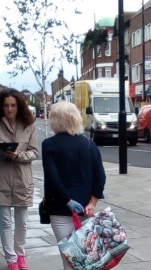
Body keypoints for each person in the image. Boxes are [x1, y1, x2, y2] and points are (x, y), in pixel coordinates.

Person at [42, 101, 106, 270]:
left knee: (69, 259)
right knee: (88, 257)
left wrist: (67, 200)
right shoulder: (89, 144)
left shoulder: (49, 145)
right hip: (86, 209)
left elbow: (52, 179)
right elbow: (100, 177)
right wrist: (92, 203)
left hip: (60, 209)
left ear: (56, 120)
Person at [0, 88, 38, 270]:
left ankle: (21, 254)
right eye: (6, 105)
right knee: (5, 221)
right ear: (1, 106)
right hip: (0, 179)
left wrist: (19, 155)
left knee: (22, 221)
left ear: (19, 105)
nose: (10, 109)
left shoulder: (29, 123)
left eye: (13, 105)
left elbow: (35, 152)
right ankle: (11, 259)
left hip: (22, 179)